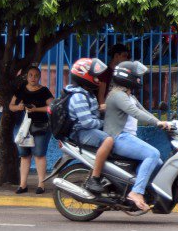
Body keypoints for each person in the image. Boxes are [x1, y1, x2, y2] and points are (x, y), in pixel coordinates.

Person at [104, 61, 171, 211]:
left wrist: (162, 122)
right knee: (153, 154)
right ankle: (136, 192)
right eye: (137, 76)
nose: (139, 79)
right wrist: (156, 123)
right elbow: (135, 113)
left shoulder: (130, 96)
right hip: (119, 137)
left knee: (158, 162)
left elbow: (143, 111)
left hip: (128, 138)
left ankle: (139, 189)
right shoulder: (117, 95)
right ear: (128, 77)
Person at [63, 58, 115, 193]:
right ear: (84, 75)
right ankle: (95, 178)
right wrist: (104, 123)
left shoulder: (86, 93)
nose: (97, 79)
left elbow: (92, 113)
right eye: (95, 76)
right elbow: (87, 123)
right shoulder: (78, 96)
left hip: (86, 130)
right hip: (81, 132)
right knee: (108, 140)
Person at [9, 66, 54, 194]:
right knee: (24, 155)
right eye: (30, 75)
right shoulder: (21, 90)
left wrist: (36, 109)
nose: (33, 78)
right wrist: (18, 107)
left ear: (40, 77)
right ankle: (23, 185)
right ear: (27, 76)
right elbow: (11, 106)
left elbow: (52, 107)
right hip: (23, 127)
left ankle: (41, 184)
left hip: (40, 126)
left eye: (36, 75)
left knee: (39, 154)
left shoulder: (44, 91)